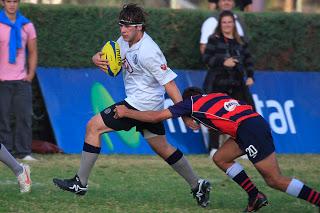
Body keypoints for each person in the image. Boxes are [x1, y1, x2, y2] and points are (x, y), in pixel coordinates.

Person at [52, 4, 211, 207]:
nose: (123, 30)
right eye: (121, 25)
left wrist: (185, 114)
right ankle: (197, 185)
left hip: (141, 105)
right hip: (143, 103)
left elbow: (170, 84)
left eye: (127, 26)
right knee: (163, 148)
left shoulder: (149, 51)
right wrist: (96, 58)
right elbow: (107, 56)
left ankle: (80, 183)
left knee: (93, 126)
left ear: (140, 27)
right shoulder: (124, 40)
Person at [114, 87, 320, 212]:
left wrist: (127, 112)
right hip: (249, 125)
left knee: (274, 179)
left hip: (249, 130)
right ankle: (254, 196)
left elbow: (156, 117)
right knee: (221, 157)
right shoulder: (214, 96)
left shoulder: (190, 105)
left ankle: (317, 199)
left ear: (186, 103)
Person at [202, 10, 255, 154]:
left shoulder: (241, 41)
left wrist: (250, 76)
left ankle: (243, 148)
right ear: (220, 24)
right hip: (217, 82)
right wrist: (223, 61)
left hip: (237, 83)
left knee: (246, 114)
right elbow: (206, 59)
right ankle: (214, 148)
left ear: (234, 24)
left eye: (229, 22)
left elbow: (249, 60)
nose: (227, 25)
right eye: (224, 22)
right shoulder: (214, 39)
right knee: (215, 115)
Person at [0, 0, 38, 161]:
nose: (12, 4)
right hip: (2, 80)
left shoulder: (27, 25)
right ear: (3, 3)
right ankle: (5, 152)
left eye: (15, 1)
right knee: (3, 118)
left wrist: (30, 75)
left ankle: (24, 152)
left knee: (24, 117)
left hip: (22, 80)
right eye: (9, 1)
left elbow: (33, 51)